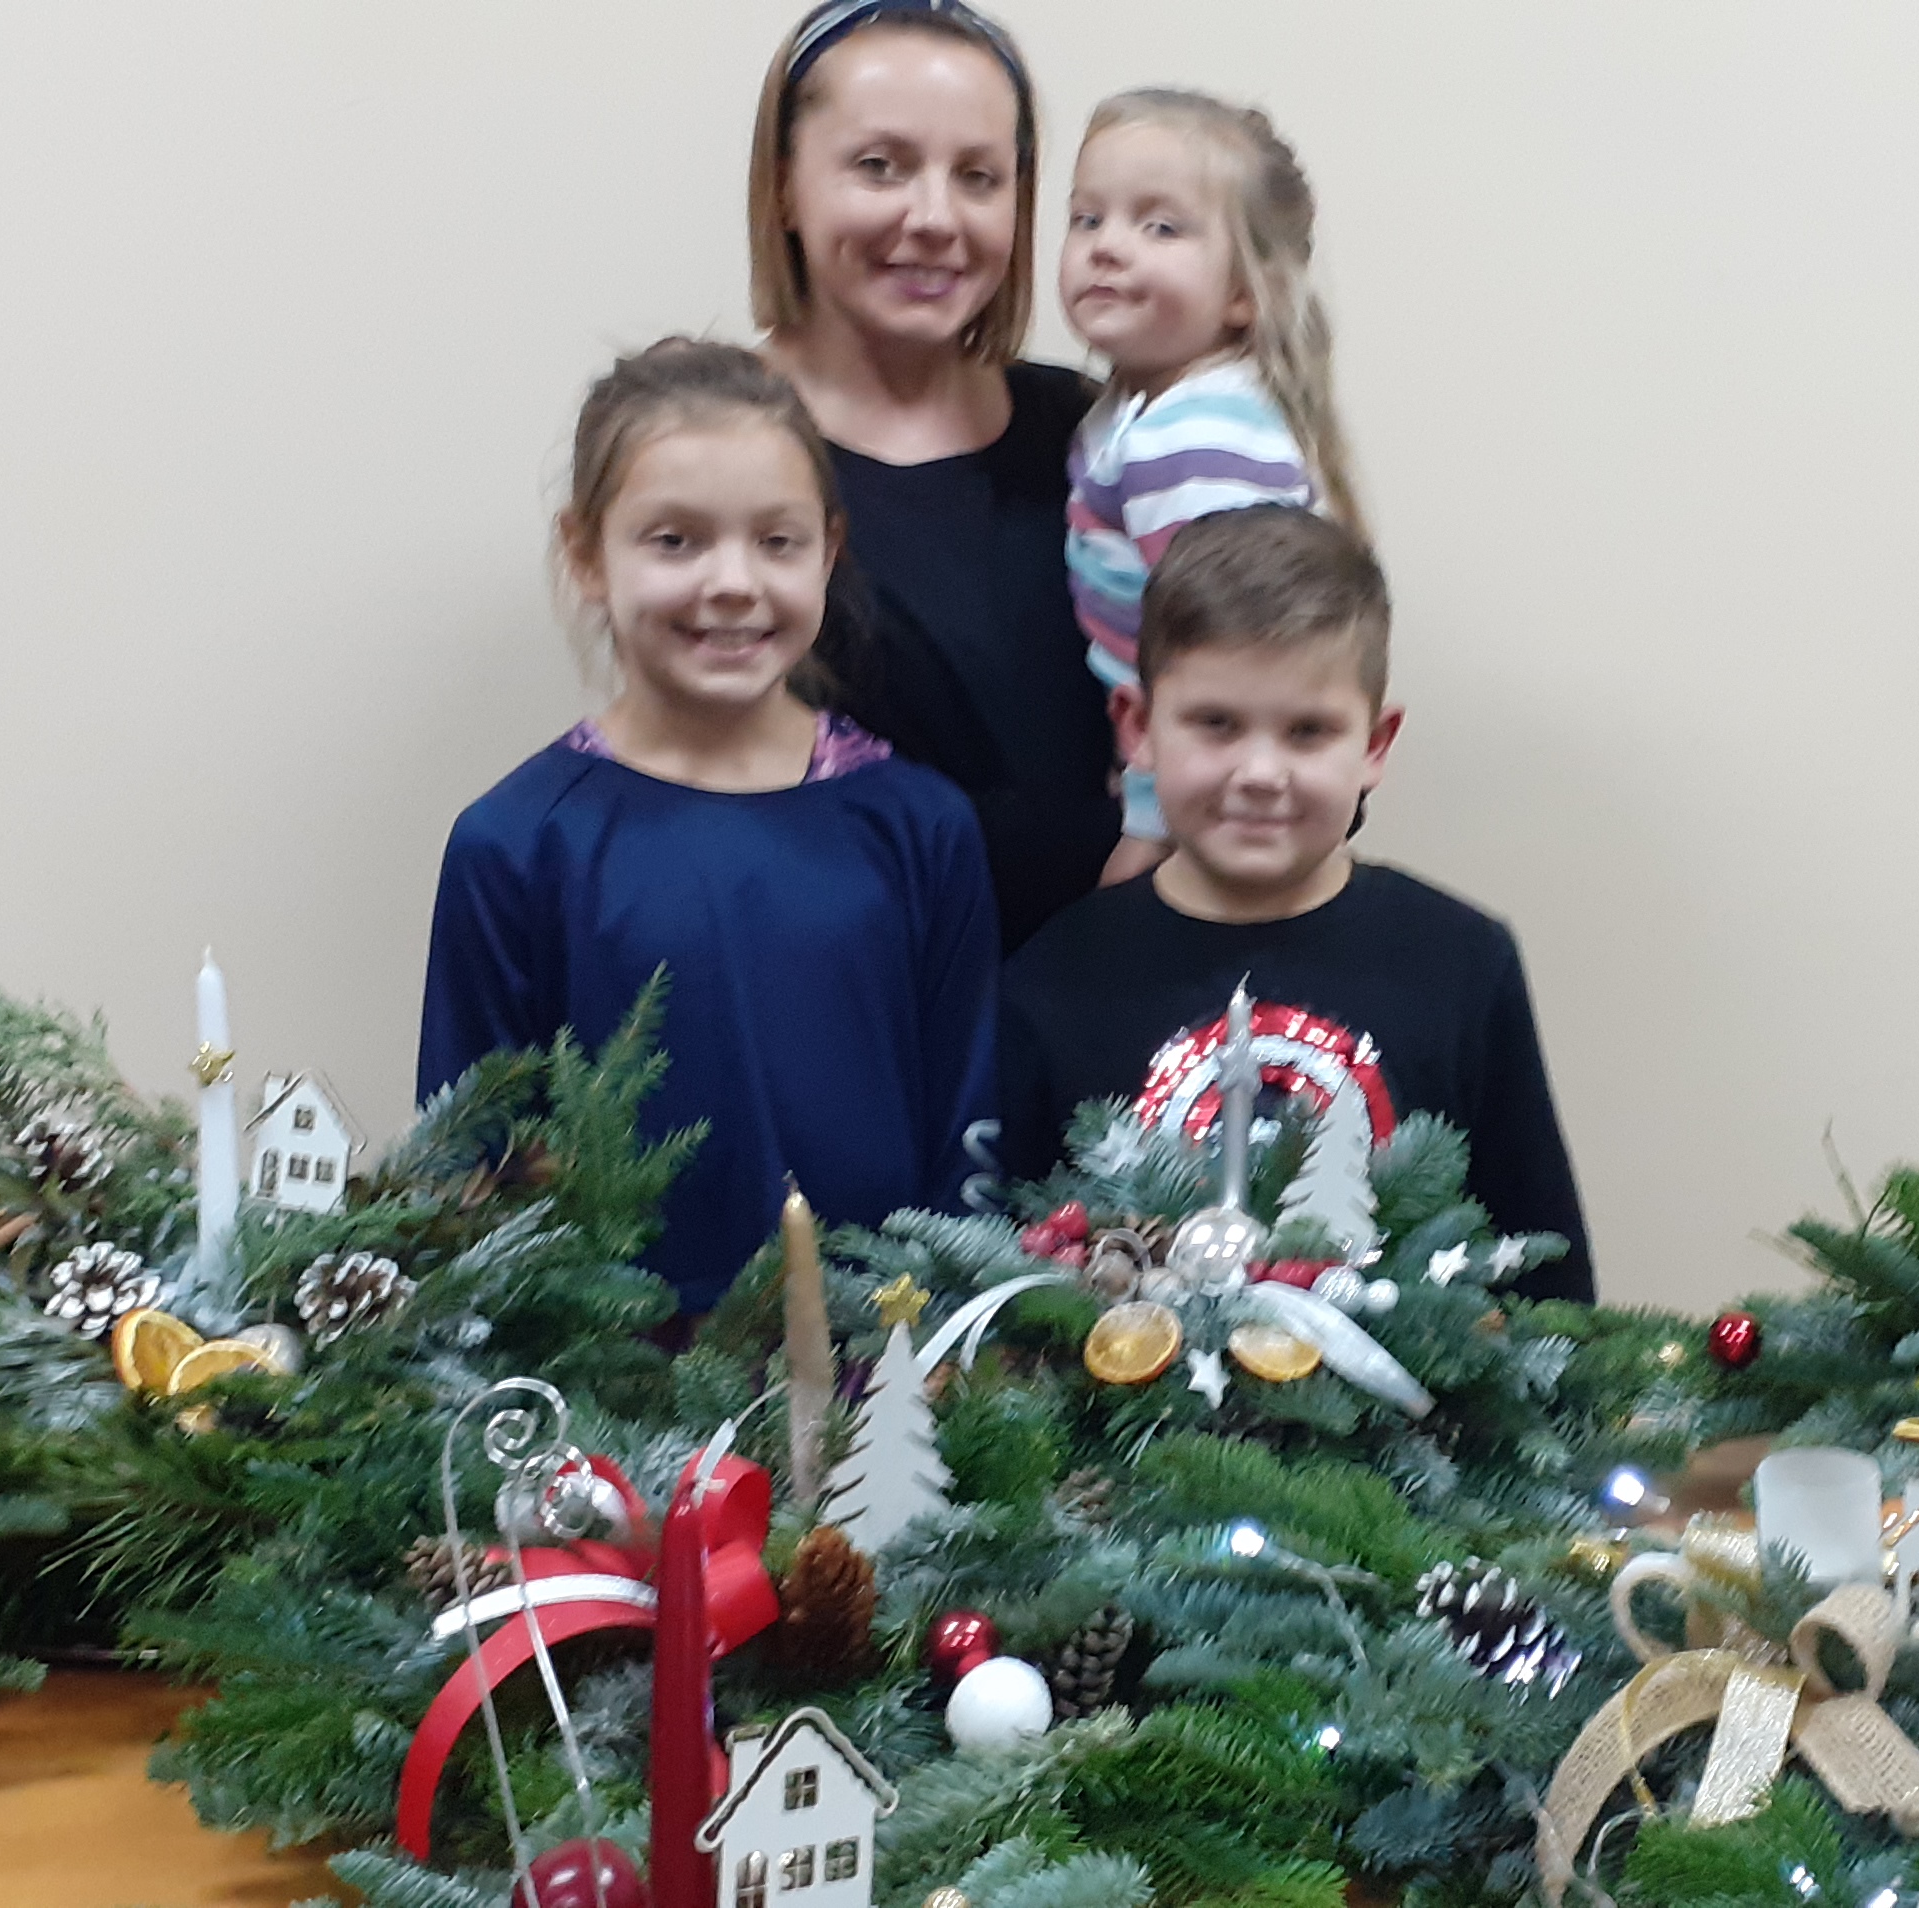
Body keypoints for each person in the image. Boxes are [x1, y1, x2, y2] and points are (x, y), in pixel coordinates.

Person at [420, 340, 997, 1309]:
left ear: (829, 550)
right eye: (675, 541)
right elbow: (470, 1171)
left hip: (880, 1367)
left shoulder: (922, 827)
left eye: (777, 541)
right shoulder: (515, 845)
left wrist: (938, 1345)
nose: (733, 581)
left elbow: (966, 1143)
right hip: (612, 1381)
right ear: (585, 553)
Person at [996, 507, 1590, 1299]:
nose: (1260, 773)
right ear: (1138, 727)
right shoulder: (1055, 978)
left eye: (1308, 732)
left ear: (1374, 744)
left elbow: (1544, 1270)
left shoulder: (1462, 961)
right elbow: (1008, 1279)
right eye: (1217, 725)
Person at [747, 0, 1113, 950]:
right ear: (785, 185)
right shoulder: (715, 449)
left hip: (1096, 1001)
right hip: (836, 995)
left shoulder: (1098, 435)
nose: (935, 218)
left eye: (979, 177)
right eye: (881, 166)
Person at [1058, 89, 1362, 888]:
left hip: (1196, 801)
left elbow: (1226, 655)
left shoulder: (1192, 440)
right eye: (1087, 218)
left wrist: (1153, 827)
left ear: (1243, 293)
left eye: (1160, 227)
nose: (1107, 246)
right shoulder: (1143, 413)